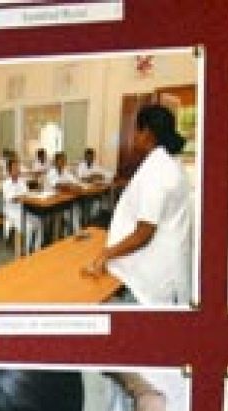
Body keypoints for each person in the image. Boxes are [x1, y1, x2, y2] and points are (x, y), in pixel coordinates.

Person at [82, 105, 193, 305]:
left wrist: (105, 254)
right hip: (162, 266)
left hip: (152, 278)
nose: (134, 136)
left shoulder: (157, 171)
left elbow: (144, 233)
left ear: (147, 133)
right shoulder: (169, 163)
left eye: (137, 130)